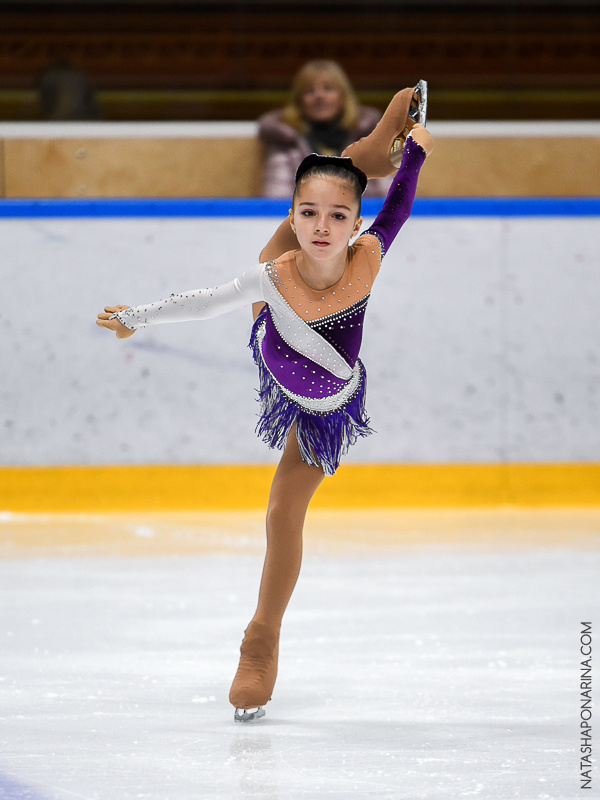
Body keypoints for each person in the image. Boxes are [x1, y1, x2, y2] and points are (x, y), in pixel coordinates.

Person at [97, 83, 432, 723]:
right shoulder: (272, 270)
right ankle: (363, 154)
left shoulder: (367, 257)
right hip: (269, 327)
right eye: (308, 214)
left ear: (357, 224)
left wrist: (414, 156)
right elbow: (199, 302)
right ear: (295, 215)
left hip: (327, 407)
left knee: (283, 514)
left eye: (339, 217)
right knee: (275, 256)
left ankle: (261, 637)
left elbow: (401, 211)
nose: (322, 228)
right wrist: (135, 319)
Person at [258, 60, 392, 198]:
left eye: (328, 89)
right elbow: (277, 202)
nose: (319, 96)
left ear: (343, 96)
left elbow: (389, 200)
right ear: (299, 101)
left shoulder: (367, 138)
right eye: (309, 91)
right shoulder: (286, 141)